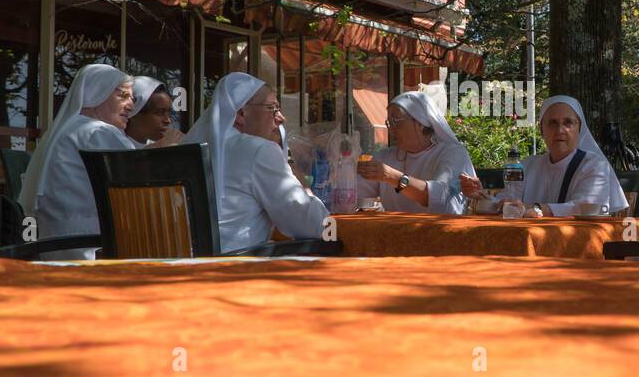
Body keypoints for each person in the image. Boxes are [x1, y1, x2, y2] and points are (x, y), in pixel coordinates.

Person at [185, 73, 329, 250]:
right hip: (238, 268)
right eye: (272, 108)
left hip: (179, 267)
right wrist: (301, 181)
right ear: (241, 113)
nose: (281, 118)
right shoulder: (260, 150)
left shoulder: (188, 150)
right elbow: (314, 225)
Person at [19, 63, 136, 260]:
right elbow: (143, 181)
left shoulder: (70, 130)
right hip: (89, 246)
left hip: (53, 244)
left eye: (132, 98)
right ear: (95, 94)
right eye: (122, 96)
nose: (131, 106)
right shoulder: (97, 132)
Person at [459, 95, 629, 216]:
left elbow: (585, 207)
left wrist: (532, 208)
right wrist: (482, 196)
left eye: (568, 123)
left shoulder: (594, 165)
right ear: (542, 130)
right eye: (553, 123)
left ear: (579, 129)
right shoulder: (527, 165)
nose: (560, 130)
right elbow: (508, 202)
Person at [355, 91, 475, 214]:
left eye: (396, 121)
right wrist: (345, 170)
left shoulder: (452, 153)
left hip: (441, 231)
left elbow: (437, 196)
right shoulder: (386, 156)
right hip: (395, 231)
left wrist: (390, 176)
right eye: (389, 123)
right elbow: (353, 191)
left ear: (420, 123)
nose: (391, 130)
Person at [125, 77, 181, 146]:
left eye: (169, 113)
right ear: (134, 113)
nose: (168, 121)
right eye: (160, 112)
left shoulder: (162, 147)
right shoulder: (116, 148)